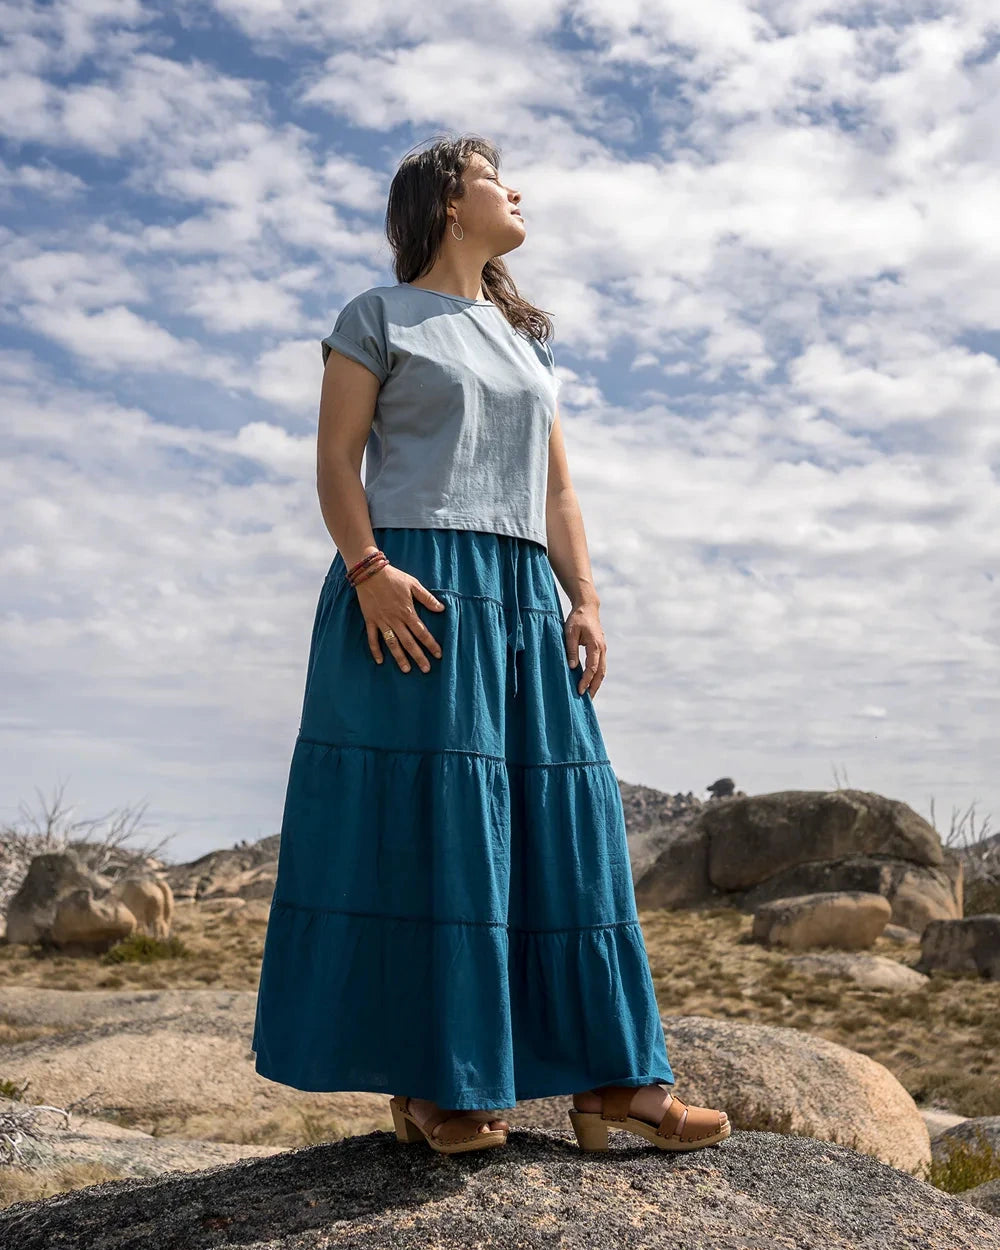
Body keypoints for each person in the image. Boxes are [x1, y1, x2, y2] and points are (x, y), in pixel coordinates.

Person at [251, 135, 730, 1156]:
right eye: (491, 177)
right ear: (447, 205)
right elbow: (336, 462)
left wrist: (585, 599)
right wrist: (370, 573)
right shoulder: (375, 317)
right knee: (440, 832)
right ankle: (442, 1081)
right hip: (413, 592)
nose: (515, 190)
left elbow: (557, 493)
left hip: (520, 597)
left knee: (568, 825)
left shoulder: (526, 346)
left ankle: (617, 1083)